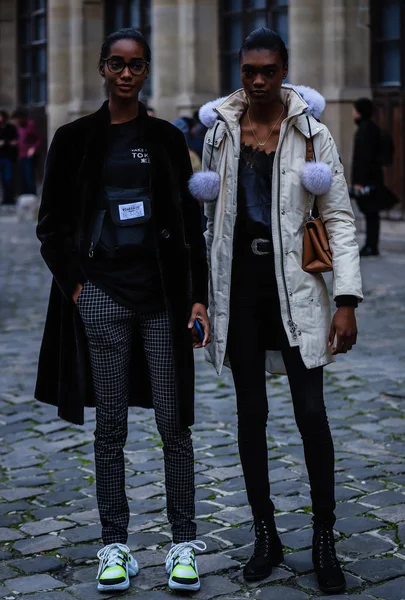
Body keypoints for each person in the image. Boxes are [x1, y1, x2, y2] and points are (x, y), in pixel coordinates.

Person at [35, 27, 210, 593]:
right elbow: (52, 226)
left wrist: (199, 296)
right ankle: (116, 546)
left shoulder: (164, 139)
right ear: (102, 70)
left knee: (173, 422)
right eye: (117, 63)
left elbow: (190, 227)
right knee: (110, 427)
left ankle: (182, 543)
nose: (127, 73)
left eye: (136, 65)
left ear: (147, 69)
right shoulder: (74, 139)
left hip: (162, 300)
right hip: (102, 298)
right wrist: (79, 289)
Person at [194, 28, 362, 595]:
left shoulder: (312, 132)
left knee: (312, 415)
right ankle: (265, 534)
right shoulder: (220, 131)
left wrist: (346, 300)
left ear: (284, 69)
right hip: (240, 289)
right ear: (240, 72)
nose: (259, 80)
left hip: (297, 285)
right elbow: (209, 220)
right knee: (250, 415)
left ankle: (324, 538)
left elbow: (337, 215)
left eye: (269, 70)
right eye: (249, 71)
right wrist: (202, 294)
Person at [351, 98, 383, 257]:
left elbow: (363, 158)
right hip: (373, 179)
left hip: (367, 181)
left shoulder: (365, 130)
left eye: (355, 110)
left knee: (371, 213)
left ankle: (371, 246)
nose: (352, 113)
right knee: (372, 214)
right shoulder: (371, 128)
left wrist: (359, 182)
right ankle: (372, 245)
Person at [11, 108, 41, 195]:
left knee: (29, 176)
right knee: (22, 176)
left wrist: (33, 148)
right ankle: (24, 194)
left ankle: (32, 194)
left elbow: (38, 139)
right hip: (20, 154)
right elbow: (20, 139)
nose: (17, 121)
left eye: (18, 118)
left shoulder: (31, 125)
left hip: (28, 155)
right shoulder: (18, 128)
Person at [0, 110, 18, 205]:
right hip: (1, 156)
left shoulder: (10, 128)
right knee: (3, 179)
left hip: (8, 157)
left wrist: (5, 142)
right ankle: (4, 199)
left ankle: (10, 198)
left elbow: (14, 142)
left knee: (8, 178)